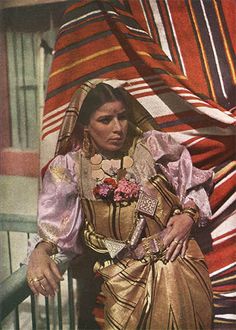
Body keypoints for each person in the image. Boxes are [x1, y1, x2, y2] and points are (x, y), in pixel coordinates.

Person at [26, 79, 213, 329]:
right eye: (105, 120)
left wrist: (188, 217)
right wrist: (40, 251)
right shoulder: (69, 168)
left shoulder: (153, 147)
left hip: (177, 266)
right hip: (121, 276)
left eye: (123, 117)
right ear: (85, 126)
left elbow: (194, 183)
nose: (118, 128)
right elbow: (55, 228)